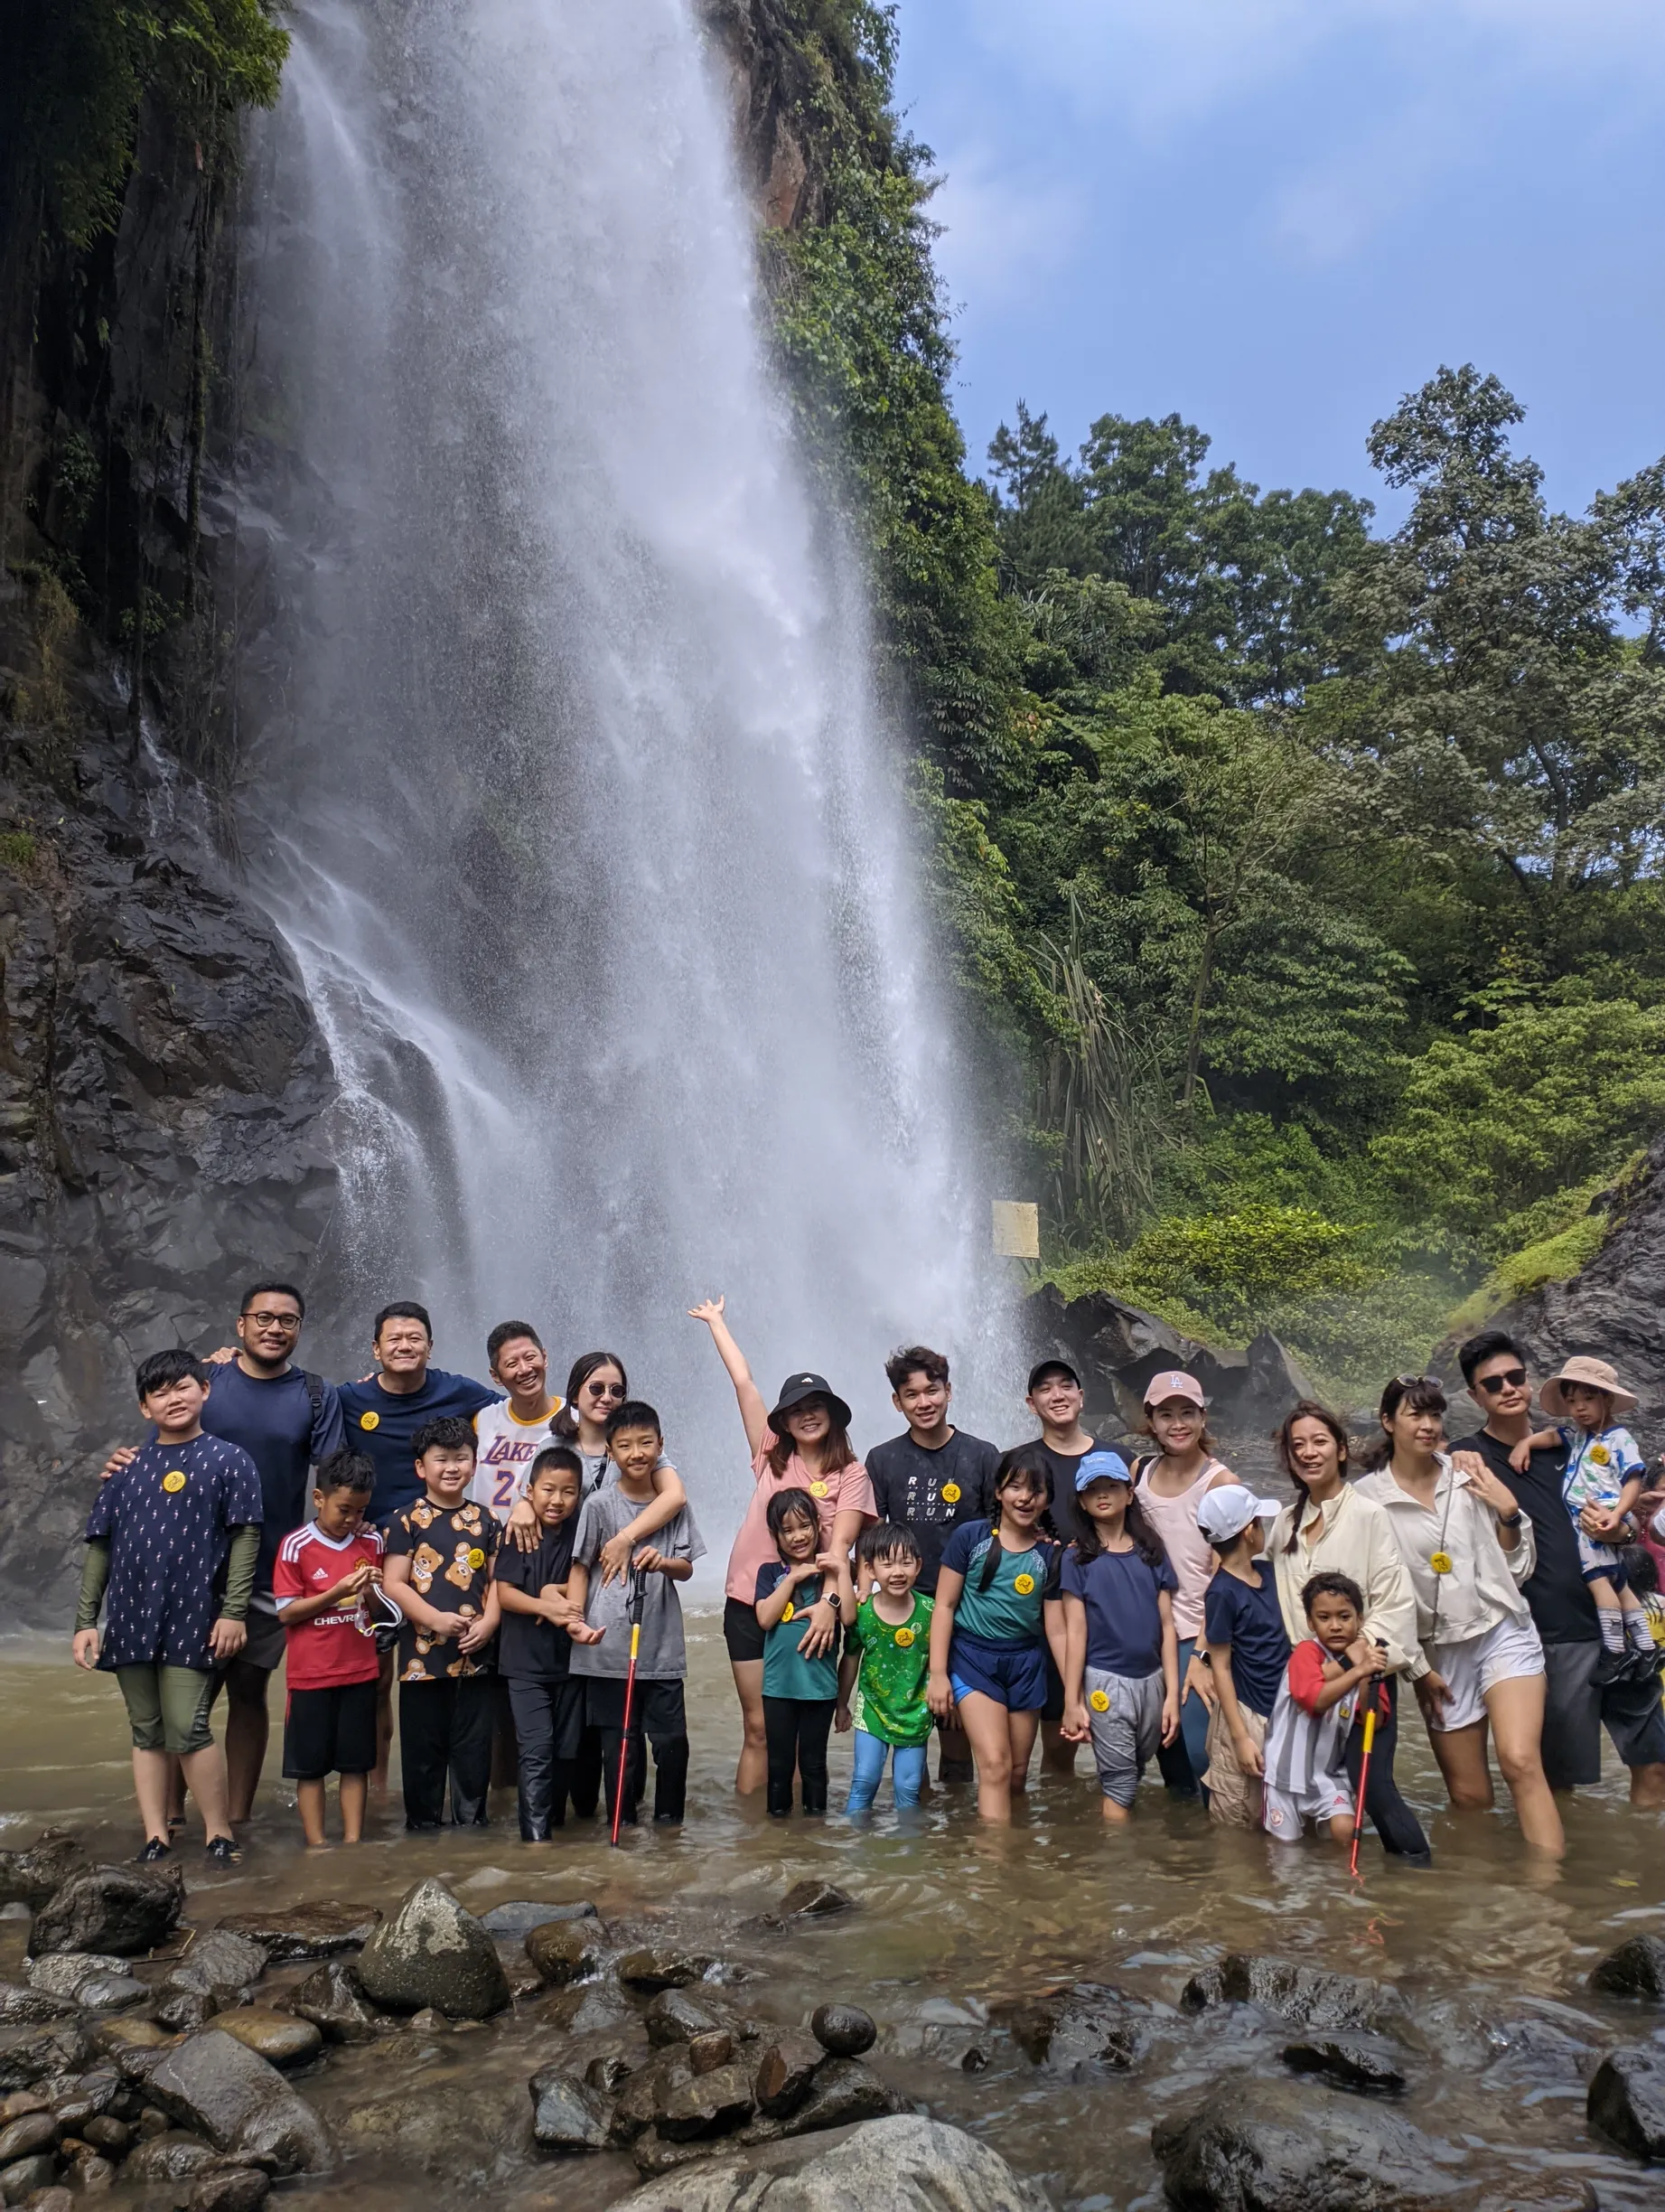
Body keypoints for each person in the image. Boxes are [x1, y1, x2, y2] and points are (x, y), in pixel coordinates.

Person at [100, 1281, 345, 1828]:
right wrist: (127, 1462)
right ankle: (167, 1818)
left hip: (266, 1566)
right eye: (262, 1317)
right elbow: (160, 1447)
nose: (274, 1327)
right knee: (179, 1690)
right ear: (240, 1326)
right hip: (188, 1568)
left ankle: (233, 1818)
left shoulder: (314, 1394)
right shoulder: (205, 1382)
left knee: (249, 1689)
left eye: (287, 1319)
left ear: (299, 1329)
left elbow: (334, 1479)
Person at [1452, 1332, 1665, 1807]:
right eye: (1492, 1384)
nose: (1507, 1388)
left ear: (1529, 1381)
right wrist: (1453, 1454)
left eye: (1515, 1377)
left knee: (1654, 1765)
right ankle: (1563, 1877)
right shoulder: (1470, 1459)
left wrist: (1625, 1531)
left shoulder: (1578, 1440)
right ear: (1474, 1396)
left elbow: (1625, 1513)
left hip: (1621, 1628)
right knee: (1558, 1784)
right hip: (1552, 1635)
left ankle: (1641, 1870)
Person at [1355, 1374, 1563, 1856]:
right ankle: (1480, 1899)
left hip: (1500, 1628)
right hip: (1438, 1652)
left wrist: (1510, 1514)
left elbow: (1518, 1567)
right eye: (1415, 1415)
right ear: (1388, 1422)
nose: (1428, 1426)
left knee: (1519, 1761)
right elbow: (1378, 1596)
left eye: (1435, 1415)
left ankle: (1548, 1905)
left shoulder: (1469, 1475)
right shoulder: (1366, 1500)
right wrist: (1418, 1669)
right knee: (1469, 1797)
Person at [72, 1350, 261, 1863]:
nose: (173, 1399)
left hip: (195, 1613)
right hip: (131, 1616)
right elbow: (100, 1547)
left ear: (205, 1391)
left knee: (187, 1725)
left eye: (182, 1387)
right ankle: (155, 1836)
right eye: (160, 1393)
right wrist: (86, 1622)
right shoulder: (126, 1468)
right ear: (143, 1407)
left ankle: (218, 1834)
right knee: (146, 1729)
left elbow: (245, 1539)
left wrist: (234, 1611)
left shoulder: (230, 1460)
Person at [688, 1298, 875, 1795]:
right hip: (749, 1601)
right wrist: (717, 1323)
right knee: (759, 1729)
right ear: (784, 1422)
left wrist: (830, 1607)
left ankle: (796, 1841)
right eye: (796, 1411)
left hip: (810, 1612)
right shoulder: (769, 1455)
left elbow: (841, 1551)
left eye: (816, 1408)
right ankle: (759, 1843)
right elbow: (744, 1384)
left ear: (833, 1415)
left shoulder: (851, 1475)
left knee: (797, 1737)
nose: (807, 1416)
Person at [504, 1349, 688, 1819]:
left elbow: (675, 1497)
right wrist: (521, 1507)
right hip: (559, 1587)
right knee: (580, 1729)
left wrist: (626, 1538)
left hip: (605, 1597)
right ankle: (575, 1822)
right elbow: (531, 1495)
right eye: (596, 1388)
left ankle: (624, 1815)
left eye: (616, 1390)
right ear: (574, 1394)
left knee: (615, 1727)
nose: (607, 1398)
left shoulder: (639, 1448)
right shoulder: (553, 1448)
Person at [1267, 1400, 1430, 1861]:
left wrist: (1360, 1655)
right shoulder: (1283, 1524)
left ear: (1341, 1449)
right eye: (1298, 1445)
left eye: (1320, 1442)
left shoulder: (1369, 1515)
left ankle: (1420, 1876)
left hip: (1365, 1675)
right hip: (1305, 1683)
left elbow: (1395, 1599)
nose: (1309, 1453)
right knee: (1309, 1783)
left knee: (1373, 1785)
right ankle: (1325, 1896)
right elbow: (1247, 1581)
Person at [865, 1346, 997, 1785]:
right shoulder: (882, 1460)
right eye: (911, 1394)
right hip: (905, 1608)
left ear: (949, 1392)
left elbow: (1001, 1533)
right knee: (909, 1727)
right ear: (896, 1402)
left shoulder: (982, 1455)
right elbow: (871, 1538)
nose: (924, 1402)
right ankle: (916, 1826)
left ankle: (956, 1833)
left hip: (968, 1610)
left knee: (956, 1722)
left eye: (932, 1391)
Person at [566, 1401, 703, 1828]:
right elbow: (579, 1565)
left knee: (671, 1744)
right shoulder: (599, 1505)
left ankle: (669, 1831)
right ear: (610, 1452)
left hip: (660, 1649)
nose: (637, 1453)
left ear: (661, 1446)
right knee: (619, 1750)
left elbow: (686, 1566)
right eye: (625, 1446)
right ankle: (622, 1826)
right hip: (608, 1651)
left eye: (646, 1443)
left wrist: (662, 1563)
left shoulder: (674, 1505)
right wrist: (575, 1621)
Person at [928, 1447, 1067, 1823]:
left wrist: (1075, 1695)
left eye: (1035, 1490)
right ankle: (992, 1870)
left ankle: (1015, 1862)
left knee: (1017, 1774)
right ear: (998, 1491)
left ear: (1047, 1499)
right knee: (994, 1766)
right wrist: (938, 1674)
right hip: (973, 1659)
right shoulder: (971, 1538)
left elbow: (1055, 1628)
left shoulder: (1050, 1556)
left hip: (1025, 1663)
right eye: (1015, 1487)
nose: (1024, 1497)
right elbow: (944, 1605)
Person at [380, 1415, 501, 1830]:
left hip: (477, 1657)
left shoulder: (487, 1520)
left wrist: (490, 1622)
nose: (452, 1468)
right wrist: (434, 1619)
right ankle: (424, 1834)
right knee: (423, 1756)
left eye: (461, 1459)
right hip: (421, 1662)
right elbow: (394, 1584)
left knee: (473, 1754)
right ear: (421, 1467)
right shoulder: (405, 1521)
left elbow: (497, 1582)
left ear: (474, 1464)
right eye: (442, 1459)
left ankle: (471, 1834)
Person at [1130, 1371, 1239, 1801]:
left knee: (1199, 1753)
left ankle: (1222, 1843)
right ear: (1150, 1421)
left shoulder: (1220, 1483)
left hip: (1197, 1632)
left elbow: (1227, 1574)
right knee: (1165, 1748)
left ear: (1203, 1418)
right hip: (1149, 1631)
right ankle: (1185, 1856)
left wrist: (1203, 1654)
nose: (1178, 1424)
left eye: (1188, 1413)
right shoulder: (1139, 1472)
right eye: (1167, 1414)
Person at [1057, 1450, 1180, 1823]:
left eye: (1111, 1486)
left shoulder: (1152, 1552)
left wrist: (1173, 1694)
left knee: (1137, 1769)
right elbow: (1075, 1631)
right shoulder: (1077, 1560)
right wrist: (1072, 1700)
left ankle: (1124, 1854)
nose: (1103, 1495)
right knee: (1122, 1782)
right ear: (1082, 1500)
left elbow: (1168, 1626)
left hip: (1152, 1680)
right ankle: (1118, 1868)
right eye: (1093, 1490)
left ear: (1129, 1494)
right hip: (1105, 1682)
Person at [272, 1450, 384, 1847]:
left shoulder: (371, 1541)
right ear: (319, 1499)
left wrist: (369, 1591)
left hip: (360, 1670)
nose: (353, 1520)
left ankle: (353, 1843)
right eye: (344, 1510)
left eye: (361, 1511)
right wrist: (336, 1592)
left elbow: (380, 1611)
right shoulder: (295, 1546)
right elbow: (286, 1613)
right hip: (311, 1676)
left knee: (356, 1765)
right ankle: (317, 1845)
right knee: (310, 1768)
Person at [1513, 1356, 1653, 1670]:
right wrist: (1527, 1443)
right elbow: (1552, 1436)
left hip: (1597, 1517)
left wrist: (1616, 1514)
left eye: (1589, 1399)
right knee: (1619, 1584)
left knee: (1598, 1582)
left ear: (1607, 1400)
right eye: (1572, 1400)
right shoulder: (1579, 1436)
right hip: (1592, 1521)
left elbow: (1633, 1479)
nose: (1580, 1407)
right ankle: (1646, 1647)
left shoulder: (1619, 1438)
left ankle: (1615, 1652)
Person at [492, 1445, 602, 1841]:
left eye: (568, 1491)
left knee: (566, 1751)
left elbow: (589, 1577)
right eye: (548, 1490)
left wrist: (559, 1594)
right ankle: (535, 1842)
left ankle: (554, 1827)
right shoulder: (520, 1531)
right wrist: (547, 1606)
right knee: (536, 1750)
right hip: (525, 1664)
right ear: (530, 1491)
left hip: (571, 1664)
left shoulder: (582, 1530)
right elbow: (505, 1593)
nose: (557, 1500)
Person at [1019, 1358, 1123, 1775]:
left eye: (1066, 1386)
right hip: (1042, 1617)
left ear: (1081, 1396)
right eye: (1045, 1389)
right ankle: (1059, 1826)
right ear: (1031, 1403)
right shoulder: (1019, 1463)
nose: (1057, 1395)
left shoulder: (1118, 1458)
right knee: (1057, 1740)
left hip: (1108, 1613)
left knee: (1118, 1730)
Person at [337, 1304, 500, 1524]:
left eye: (414, 1339)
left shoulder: (459, 1392)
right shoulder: (350, 1398)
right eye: (394, 1339)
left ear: (429, 1347)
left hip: (439, 1534)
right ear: (376, 1349)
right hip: (370, 1533)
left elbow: (519, 1416)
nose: (404, 1347)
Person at [1263, 1572, 1389, 1847]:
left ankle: (1338, 1888)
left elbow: (1374, 1721)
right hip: (1286, 1774)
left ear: (1360, 1620)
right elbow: (1315, 1701)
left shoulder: (1367, 1662)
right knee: (1287, 1854)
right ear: (1310, 1622)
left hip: (1328, 1776)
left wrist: (1369, 1676)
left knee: (1346, 1833)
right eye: (1324, 1618)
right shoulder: (1305, 1653)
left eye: (1344, 1617)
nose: (1335, 1626)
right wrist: (1356, 1669)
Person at [1197, 1485, 1289, 1831]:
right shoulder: (1222, 1592)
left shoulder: (1269, 1574)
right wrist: (1239, 1738)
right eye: (1260, 1522)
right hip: (1245, 1712)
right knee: (1238, 1814)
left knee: (1278, 1814)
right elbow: (1220, 1665)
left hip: (1279, 1708)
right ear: (1249, 1531)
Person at [755, 1489, 849, 1817]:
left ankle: (814, 1833)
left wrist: (841, 1572)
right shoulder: (769, 1573)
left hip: (819, 1690)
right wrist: (792, 1577)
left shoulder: (830, 1574)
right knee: (779, 1766)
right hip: (778, 1688)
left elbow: (849, 1617)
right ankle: (779, 1836)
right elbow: (765, 1618)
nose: (798, 1536)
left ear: (817, 1525)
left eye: (804, 1526)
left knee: (814, 1765)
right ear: (775, 1536)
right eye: (787, 1530)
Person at [837, 1523, 934, 1816]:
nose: (897, 1572)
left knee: (908, 1788)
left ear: (918, 1566)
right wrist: (841, 1704)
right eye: (887, 1563)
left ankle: (909, 1855)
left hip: (915, 1714)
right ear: (869, 1569)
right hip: (872, 1713)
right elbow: (850, 1659)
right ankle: (855, 1853)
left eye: (906, 1563)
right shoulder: (862, 1614)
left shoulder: (930, 1612)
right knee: (864, 1782)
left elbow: (942, 1659)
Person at [471, 1322, 566, 1526]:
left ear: (545, 1357)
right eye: (512, 1364)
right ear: (495, 1376)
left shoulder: (574, 1421)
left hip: (546, 1546)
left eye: (530, 1357)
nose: (525, 1369)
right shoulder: (482, 1420)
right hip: (487, 1545)